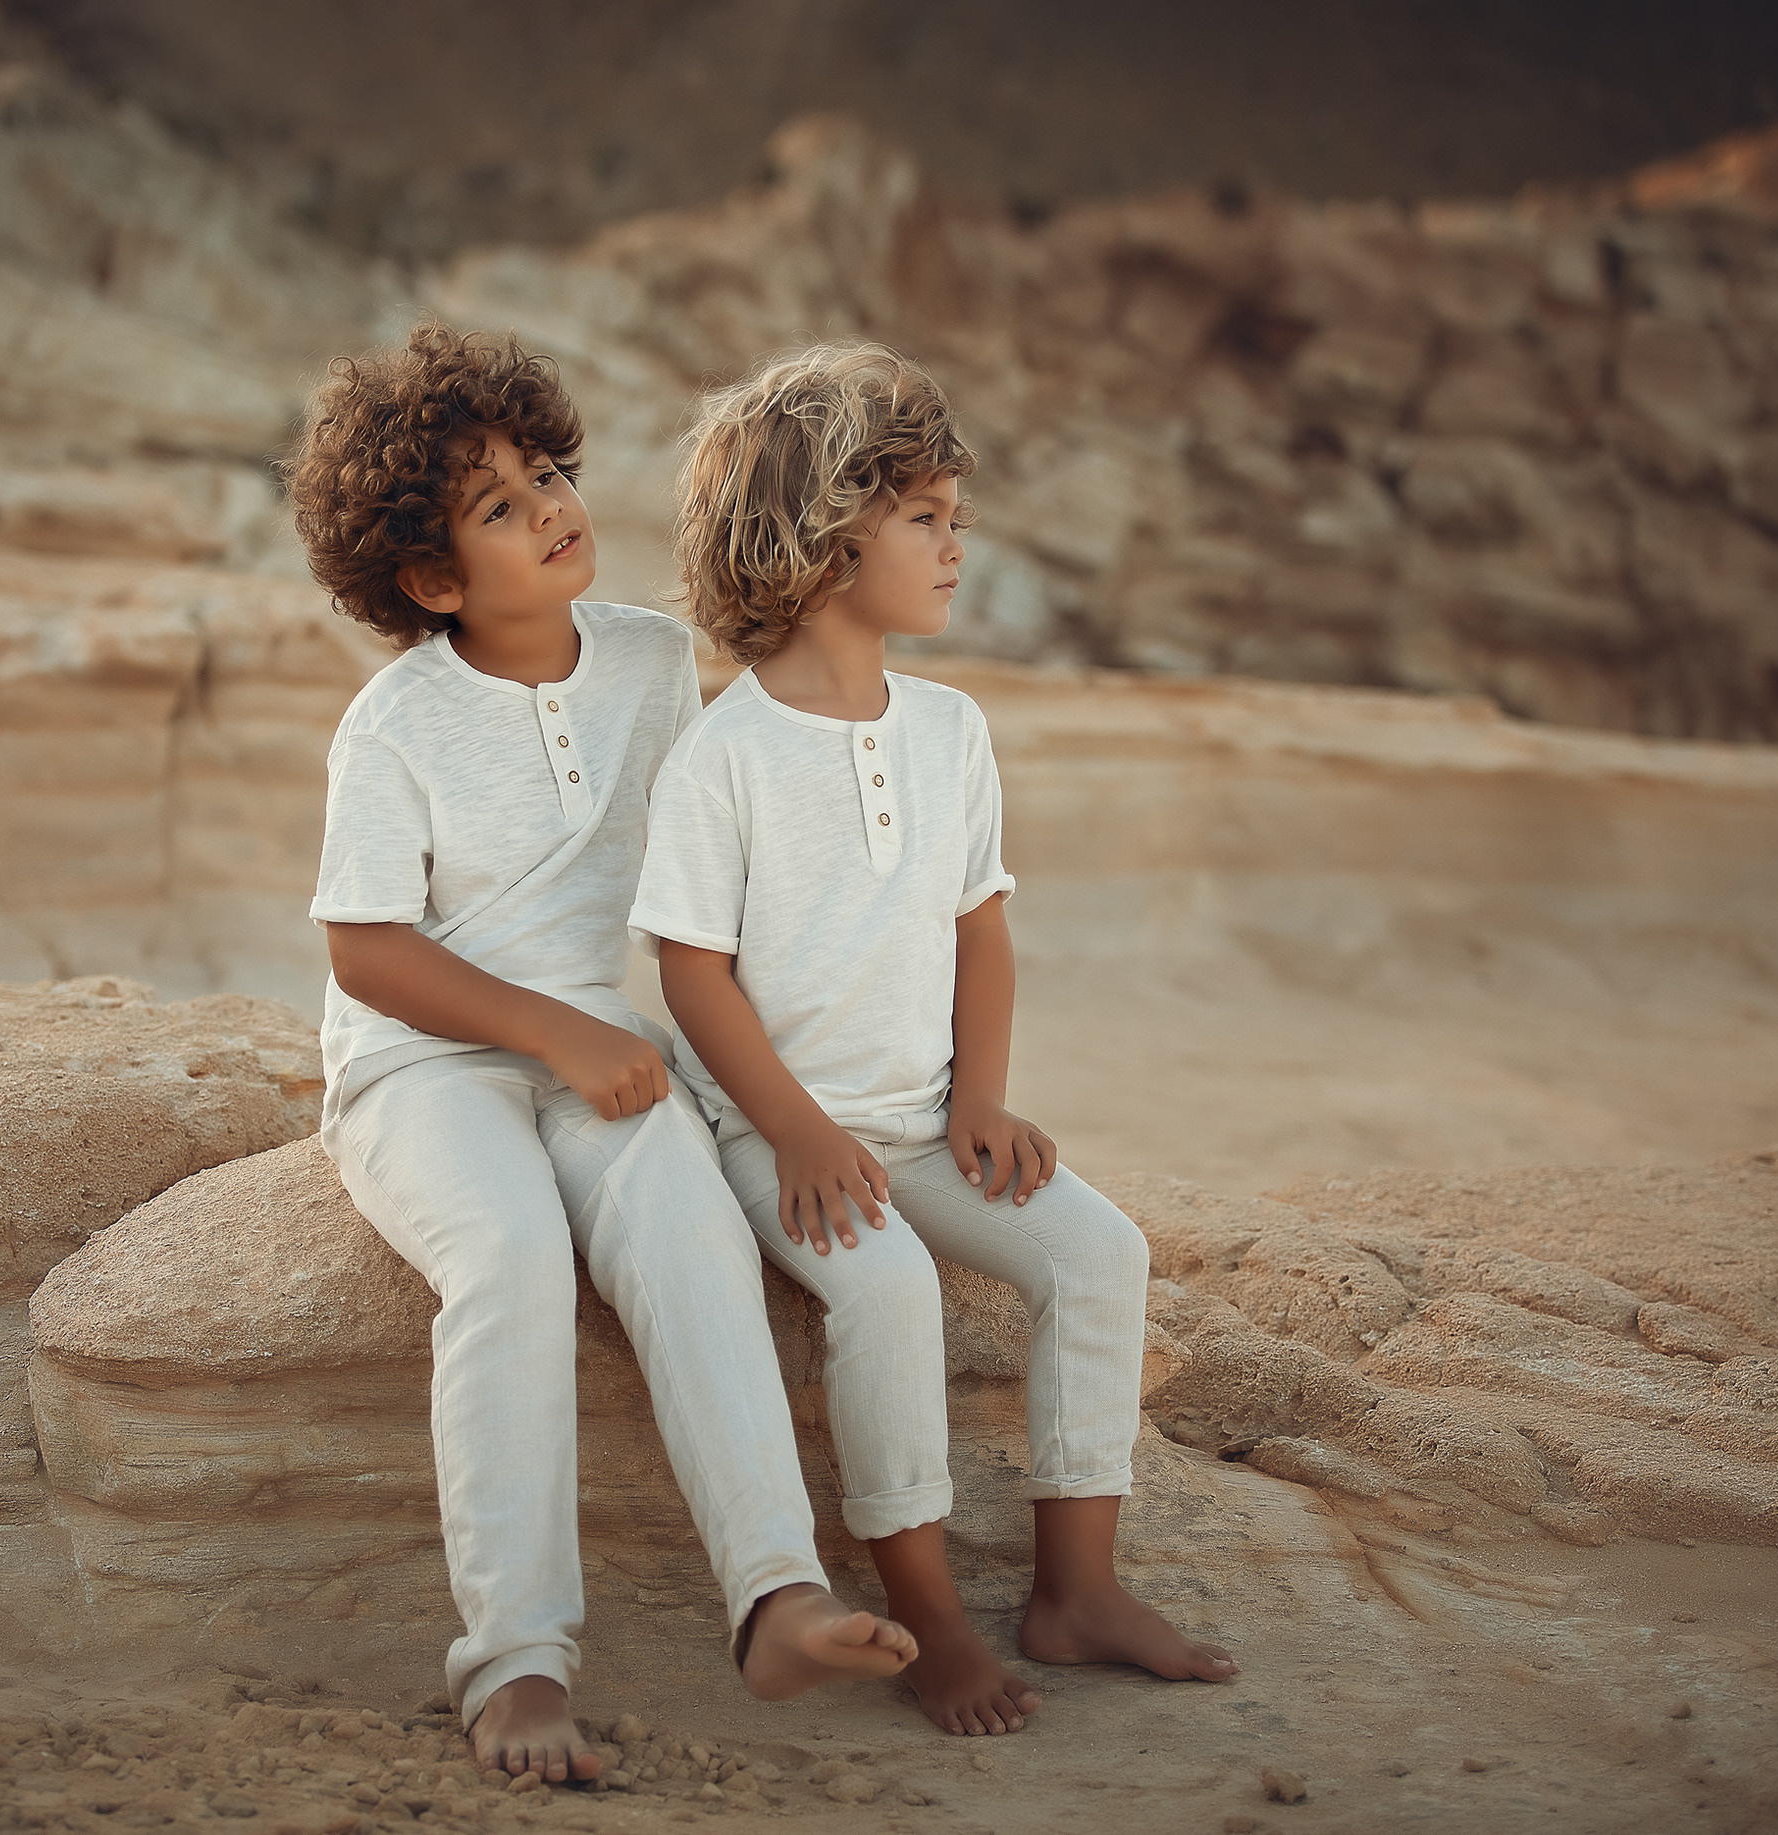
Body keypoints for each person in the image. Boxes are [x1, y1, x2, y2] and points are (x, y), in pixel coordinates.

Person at [288, 324, 916, 1783]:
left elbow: (722, 850)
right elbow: (364, 949)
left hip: (602, 1061)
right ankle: (513, 1663)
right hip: (420, 1070)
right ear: (430, 580)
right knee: (507, 1257)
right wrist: (559, 1031)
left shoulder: (643, 660)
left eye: (550, 470)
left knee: (691, 1231)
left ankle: (776, 1594)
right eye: (499, 506)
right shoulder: (393, 726)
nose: (554, 506)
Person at [632, 342, 1240, 1738]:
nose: (958, 547)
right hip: (780, 1139)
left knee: (1099, 1252)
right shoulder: (725, 757)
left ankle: (1077, 1590)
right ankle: (934, 1617)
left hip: (923, 1123)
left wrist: (984, 1097)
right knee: (889, 1293)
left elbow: (981, 929)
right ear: (823, 537)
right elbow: (692, 969)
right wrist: (791, 1128)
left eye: (956, 518)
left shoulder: (953, 731)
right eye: (927, 520)